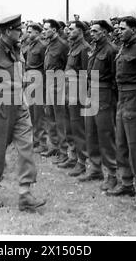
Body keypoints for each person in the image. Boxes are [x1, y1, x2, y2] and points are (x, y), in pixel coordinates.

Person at [0, 14, 46, 211]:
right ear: (6, 31)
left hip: (20, 105)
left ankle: (25, 193)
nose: (21, 32)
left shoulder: (17, 50)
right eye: (18, 29)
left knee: (26, 147)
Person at [106, 17, 136, 209]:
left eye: (123, 28)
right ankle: (126, 183)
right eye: (117, 28)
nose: (118, 31)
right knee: (121, 143)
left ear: (133, 29)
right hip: (122, 99)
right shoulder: (122, 48)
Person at [78, 20, 118, 187]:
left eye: (95, 31)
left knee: (105, 134)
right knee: (90, 132)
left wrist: (110, 97)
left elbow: (115, 76)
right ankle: (95, 168)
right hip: (91, 90)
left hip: (103, 93)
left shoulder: (111, 50)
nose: (91, 34)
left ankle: (113, 173)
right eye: (91, 31)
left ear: (104, 32)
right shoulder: (95, 48)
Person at [58, 21, 89, 174]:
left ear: (81, 30)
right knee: (69, 127)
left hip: (77, 93)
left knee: (78, 128)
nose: (68, 31)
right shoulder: (73, 47)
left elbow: (85, 74)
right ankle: (72, 156)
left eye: (71, 29)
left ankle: (82, 161)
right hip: (68, 91)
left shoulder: (84, 48)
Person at [41, 19, 69, 163]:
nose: (44, 31)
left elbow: (66, 66)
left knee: (59, 119)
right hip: (49, 82)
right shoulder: (49, 44)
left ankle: (64, 151)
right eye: (43, 29)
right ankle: (54, 146)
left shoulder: (62, 45)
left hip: (58, 83)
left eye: (46, 29)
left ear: (54, 30)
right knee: (50, 116)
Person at [24, 22, 48, 154]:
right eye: (27, 31)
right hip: (30, 79)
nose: (28, 33)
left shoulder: (42, 46)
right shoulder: (31, 45)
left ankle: (42, 142)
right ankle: (34, 140)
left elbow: (45, 66)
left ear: (37, 33)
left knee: (39, 114)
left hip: (38, 80)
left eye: (30, 31)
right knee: (32, 112)